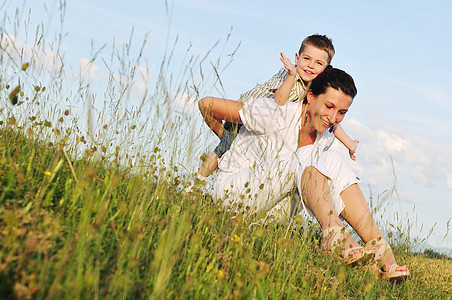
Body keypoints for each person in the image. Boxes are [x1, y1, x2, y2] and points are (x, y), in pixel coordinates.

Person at [198, 64, 409, 280]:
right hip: (234, 195)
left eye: (342, 112)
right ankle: (334, 236)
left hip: (269, 212)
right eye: (329, 106)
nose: (333, 118)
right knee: (306, 154)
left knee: (332, 159)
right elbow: (206, 105)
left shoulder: (325, 137)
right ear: (310, 96)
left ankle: (384, 256)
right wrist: (228, 143)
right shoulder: (275, 111)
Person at [193, 34, 358, 186]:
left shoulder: (317, 87)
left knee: (231, 147)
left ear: (327, 67)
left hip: (262, 124)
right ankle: (197, 182)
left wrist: (349, 143)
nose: (310, 66)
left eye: (318, 63)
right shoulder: (290, 74)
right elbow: (279, 101)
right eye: (306, 58)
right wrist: (291, 76)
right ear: (297, 58)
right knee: (225, 146)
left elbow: (331, 120)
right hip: (249, 112)